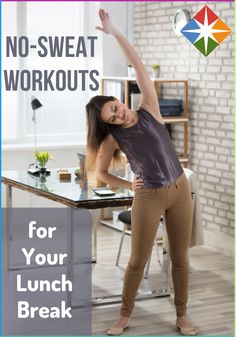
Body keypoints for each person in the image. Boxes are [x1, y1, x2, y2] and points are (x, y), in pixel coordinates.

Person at [86, 9, 197, 336]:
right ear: (108, 124)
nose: (118, 115)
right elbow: (101, 173)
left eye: (115, 108)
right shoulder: (112, 138)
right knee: (137, 261)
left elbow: (139, 65)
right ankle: (124, 315)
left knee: (179, 258)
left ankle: (182, 315)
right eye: (111, 118)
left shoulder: (149, 106)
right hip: (146, 195)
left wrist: (115, 32)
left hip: (179, 190)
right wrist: (125, 183)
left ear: (119, 100)